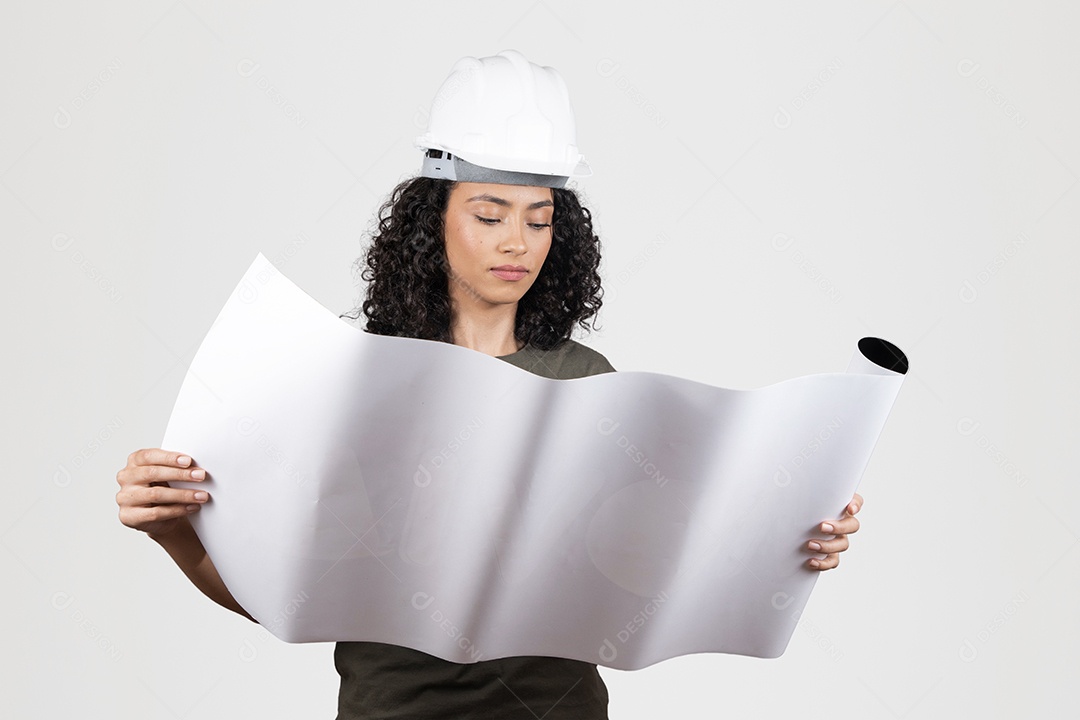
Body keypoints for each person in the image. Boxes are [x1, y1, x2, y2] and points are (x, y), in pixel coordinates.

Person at [115, 49, 863, 719]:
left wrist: (788, 540)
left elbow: (649, 579)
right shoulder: (354, 387)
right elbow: (289, 597)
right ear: (430, 221)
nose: (516, 242)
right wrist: (175, 531)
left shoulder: (589, 385)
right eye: (489, 213)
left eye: (539, 220)